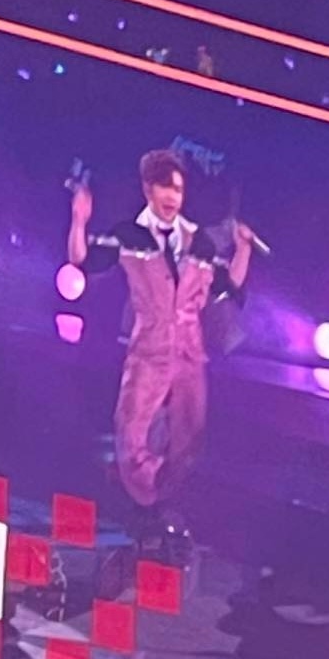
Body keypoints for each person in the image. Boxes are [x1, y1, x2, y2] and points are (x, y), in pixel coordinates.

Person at [68, 149, 253, 511]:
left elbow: (228, 285)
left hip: (189, 354)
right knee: (132, 429)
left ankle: (171, 503)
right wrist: (79, 219)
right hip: (149, 350)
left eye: (178, 190)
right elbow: (82, 260)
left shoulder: (199, 242)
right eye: (164, 187)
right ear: (148, 189)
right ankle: (141, 501)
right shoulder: (130, 236)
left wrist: (243, 249)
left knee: (189, 437)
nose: (172, 197)